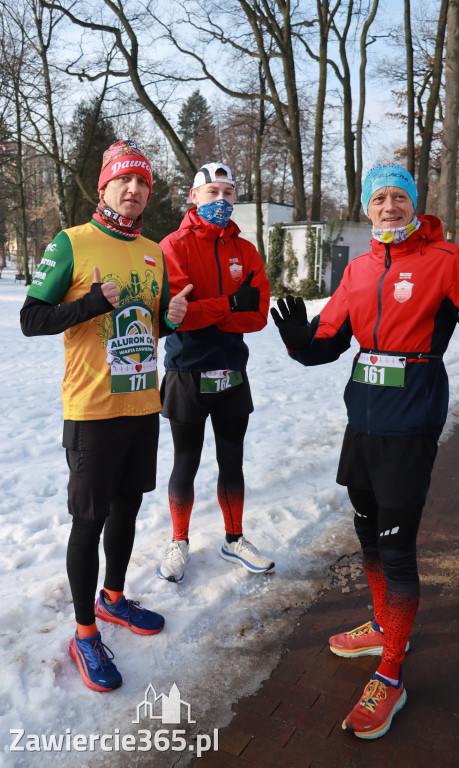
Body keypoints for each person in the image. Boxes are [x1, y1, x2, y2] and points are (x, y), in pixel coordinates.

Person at [271, 160, 459, 739]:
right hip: (364, 419)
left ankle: (392, 672)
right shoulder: (358, 268)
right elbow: (328, 341)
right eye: (378, 198)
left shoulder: (447, 260)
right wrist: (300, 344)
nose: (388, 206)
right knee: (365, 524)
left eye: (398, 197)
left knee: (396, 547)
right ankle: (382, 623)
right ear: (366, 207)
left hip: (411, 420)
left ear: (414, 203)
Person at [20, 140, 191, 693]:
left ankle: (113, 599)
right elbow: (31, 318)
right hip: (92, 412)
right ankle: (85, 631)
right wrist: (91, 303)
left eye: (142, 182)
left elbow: (146, 325)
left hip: (143, 406)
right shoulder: (72, 242)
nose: (134, 190)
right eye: (124, 180)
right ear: (104, 185)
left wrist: (170, 317)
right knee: (89, 521)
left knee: (128, 510)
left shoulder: (151, 251)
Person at [158, 162, 274, 583]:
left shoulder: (246, 251)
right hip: (187, 373)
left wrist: (213, 312)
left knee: (232, 460)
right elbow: (178, 316)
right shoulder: (171, 246)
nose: (221, 201)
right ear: (194, 197)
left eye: (228, 193)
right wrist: (229, 306)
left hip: (231, 372)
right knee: (185, 460)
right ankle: (178, 540)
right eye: (212, 193)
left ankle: (235, 538)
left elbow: (258, 315)